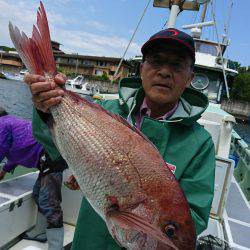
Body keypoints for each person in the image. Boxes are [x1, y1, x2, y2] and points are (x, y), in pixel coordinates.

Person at [25, 28, 215, 249]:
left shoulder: (200, 143)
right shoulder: (106, 110)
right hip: (89, 242)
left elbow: (192, 221)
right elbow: (53, 148)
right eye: (156, 61)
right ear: (142, 69)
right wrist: (45, 109)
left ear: (189, 78)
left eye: (176, 65)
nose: (164, 72)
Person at [0, 109, 67, 250]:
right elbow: (15, 150)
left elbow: (1, 148)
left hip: (50, 156)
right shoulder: (11, 122)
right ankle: (41, 231)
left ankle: (56, 246)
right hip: (51, 155)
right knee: (38, 193)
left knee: (48, 203)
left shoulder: (2, 124)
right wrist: (4, 170)